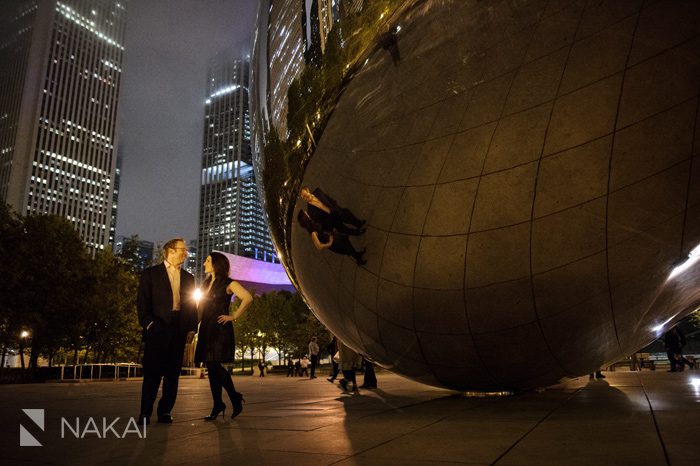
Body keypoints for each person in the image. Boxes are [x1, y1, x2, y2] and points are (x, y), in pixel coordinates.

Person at [137, 238, 198, 425]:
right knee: (152, 373)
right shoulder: (151, 274)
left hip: (178, 329)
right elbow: (142, 303)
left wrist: (192, 328)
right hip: (157, 329)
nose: (186, 253)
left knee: (172, 374)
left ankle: (165, 411)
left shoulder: (189, 278)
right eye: (183, 249)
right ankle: (145, 413)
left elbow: (191, 305)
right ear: (170, 251)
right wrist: (149, 325)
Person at [195, 252, 253, 420]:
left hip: (220, 329)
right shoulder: (206, 284)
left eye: (207, 260)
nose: (204, 263)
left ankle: (234, 397)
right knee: (211, 368)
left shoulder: (229, 283)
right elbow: (200, 308)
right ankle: (218, 404)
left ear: (216, 264)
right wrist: (193, 328)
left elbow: (247, 298)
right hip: (206, 328)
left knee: (214, 365)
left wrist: (234, 316)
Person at [297, 210, 366, 265]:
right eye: (305, 214)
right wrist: (329, 243)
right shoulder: (312, 233)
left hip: (333, 235)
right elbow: (319, 246)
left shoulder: (313, 222)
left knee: (347, 243)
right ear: (305, 219)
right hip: (334, 243)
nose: (307, 213)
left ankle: (357, 255)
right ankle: (358, 259)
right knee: (347, 247)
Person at [300, 186, 365, 236]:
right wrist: (330, 228)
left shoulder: (318, 191)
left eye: (305, 195)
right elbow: (320, 222)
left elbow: (327, 197)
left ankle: (359, 224)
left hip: (334, 210)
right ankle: (358, 232)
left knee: (348, 216)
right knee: (344, 229)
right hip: (331, 220)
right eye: (304, 197)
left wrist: (335, 204)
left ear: (308, 190)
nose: (305, 197)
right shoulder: (310, 211)